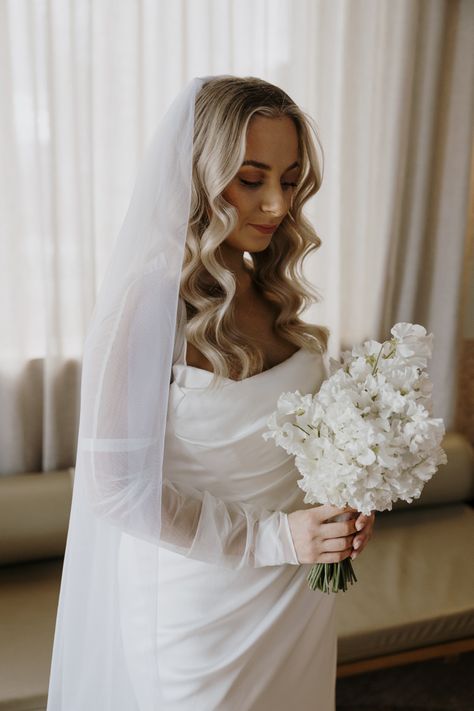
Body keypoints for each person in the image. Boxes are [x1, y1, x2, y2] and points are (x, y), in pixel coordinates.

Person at [46, 75, 375, 711]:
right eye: (251, 179)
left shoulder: (268, 289)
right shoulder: (146, 306)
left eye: (290, 177)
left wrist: (341, 507)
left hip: (296, 594)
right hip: (203, 609)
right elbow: (112, 489)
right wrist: (274, 539)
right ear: (199, 175)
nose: (277, 203)